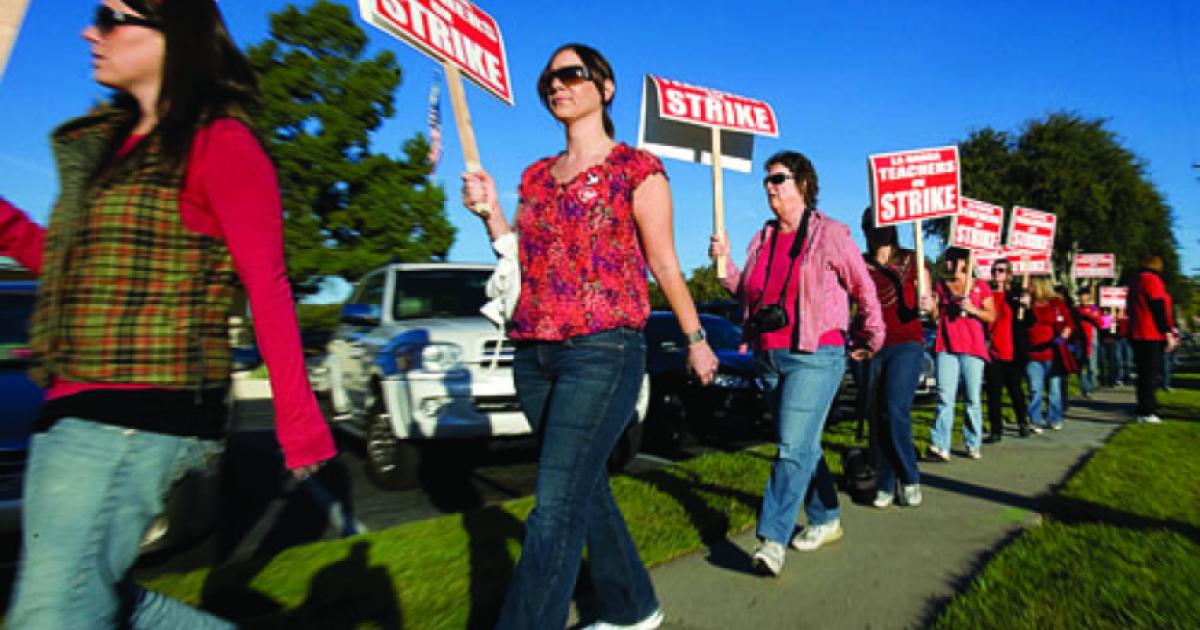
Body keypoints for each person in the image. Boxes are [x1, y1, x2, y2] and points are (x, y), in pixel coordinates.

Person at [0, 2, 336, 627]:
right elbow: (70, 268)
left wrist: (298, 418)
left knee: (52, 614)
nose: (87, 31)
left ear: (172, 33)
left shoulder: (222, 143)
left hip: (138, 410)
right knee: (91, 599)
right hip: (68, 403)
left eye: (108, 16)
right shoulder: (107, 149)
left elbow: (267, 284)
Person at [461, 43, 718, 630]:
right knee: (585, 487)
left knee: (553, 506)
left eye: (571, 74)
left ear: (605, 88)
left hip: (605, 349)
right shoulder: (534, 177)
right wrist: (492, 215)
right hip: (533, 355)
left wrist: (695, 336)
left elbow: (665, 263)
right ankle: (634, 607)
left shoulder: (637, 168)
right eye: (548, 78)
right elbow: (522, 260)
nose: (557, 84)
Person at [709, 152, 883, 577]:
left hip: (815, 353)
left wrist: (871, 333)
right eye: (766, 181)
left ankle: (772, 540)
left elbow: (863, 287)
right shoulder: (762, 239)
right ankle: (825, 517)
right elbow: (746, 293)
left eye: (779, 179)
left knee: (790, 446)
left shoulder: (830, 235)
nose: (770, 187)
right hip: (768, 355)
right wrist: (725, 265)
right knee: (803, 445)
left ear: (803, 183)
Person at [858, 208, 929, 508]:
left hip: (906, 343)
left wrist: (929, 304)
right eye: (869, 227)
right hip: (873, 346)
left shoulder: (914, 259)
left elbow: (932, 308)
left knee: (894, 407)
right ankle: (886, 482)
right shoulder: (860, 265)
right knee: (878, 416)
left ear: (892, 228)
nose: (875, 232)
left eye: (880, 226)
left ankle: (909, 476)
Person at [927, 248, 995, 460]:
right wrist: (930, 307)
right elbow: (935, 316)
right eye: (947, 261)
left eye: (952, 261)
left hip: (973, 348)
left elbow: (991, 315)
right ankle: (940, 444)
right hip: (947, 347)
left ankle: (973, 442)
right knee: (945, 397)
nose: (948, 265)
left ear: (964, 262)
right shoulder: (941, 286)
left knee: (972, 398)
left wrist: (972, 309)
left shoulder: (980, 286)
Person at [984, 258, 1033, 441]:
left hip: (1012, 352)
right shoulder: (986, 295)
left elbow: (1029, 322)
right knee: (993, 393)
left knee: (1015, 391)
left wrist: (1026, 307)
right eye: (995, 270)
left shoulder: (1015, 296)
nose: (997, 273)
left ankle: (1022, 421)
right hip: (992, 351)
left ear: (1009, 275)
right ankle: (996, 430)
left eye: (1002, 270)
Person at [1126, 255, 1177, 423]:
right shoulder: (1153, 281)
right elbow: (1158, 307)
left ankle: (1142, 408)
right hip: (1150, 333)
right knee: (1151, 373)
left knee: (1142, 373)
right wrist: (1168, 332)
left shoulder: (1135, 282)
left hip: (1136, 332)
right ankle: (1148, 410)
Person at [1025, 277, 1073, 430]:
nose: (1029, 288)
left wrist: (1063, 335)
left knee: (1054, 389)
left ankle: (1054, 418)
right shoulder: (1027, 304)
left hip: (1052, 352)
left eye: (1031, 285)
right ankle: (1035, 419)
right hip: (1032, 353)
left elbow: (1068, 323)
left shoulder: (1056, 304)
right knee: (1035, 388)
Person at [1074, 288, 1105, 399]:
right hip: (1078, 341)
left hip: (1091, 340)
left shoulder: (1094, 308)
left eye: (1083, 295)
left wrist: (1090, 316)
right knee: (1077, 367)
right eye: (1080, 295)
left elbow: (1102, 323)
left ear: (1088, 296)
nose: (1081, 298)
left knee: (1091, 368)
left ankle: (1090, 389)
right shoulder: (1076, 309)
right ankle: (1086, 387)